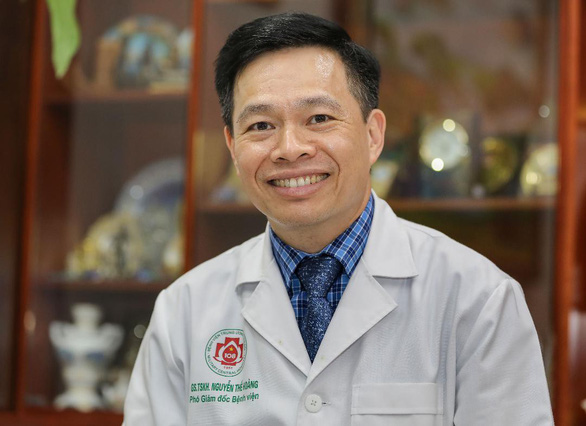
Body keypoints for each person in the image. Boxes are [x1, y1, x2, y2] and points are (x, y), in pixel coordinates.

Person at [123, 12, 554, 425]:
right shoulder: (185, 310)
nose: (290, 148)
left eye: (319, 118)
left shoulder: (478, 300)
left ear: (373, 135)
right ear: (233, 147)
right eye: (261, 126)